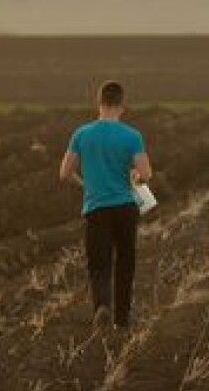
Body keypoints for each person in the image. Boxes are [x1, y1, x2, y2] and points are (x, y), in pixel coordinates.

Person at [58, 80, 152, 330]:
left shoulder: (82, 134)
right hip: (124, 208)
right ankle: (122, 320)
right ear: (122, 105)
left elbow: (65, 173)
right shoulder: (132, 136)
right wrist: (134, 177)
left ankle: (102, 305)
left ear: (98, 103)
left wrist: (86, 184)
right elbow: (146, 173)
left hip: (96, 208)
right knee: (125, 262)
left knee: (99, 264)